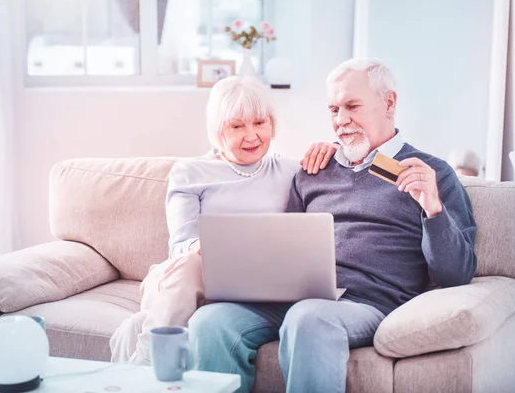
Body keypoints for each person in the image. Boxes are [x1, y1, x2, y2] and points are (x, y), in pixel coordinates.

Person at [187, 58, 478, 393]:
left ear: (389, 103)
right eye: (333, 109)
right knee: (210, 323)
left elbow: (457, 274)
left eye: (352, 106)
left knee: (309, 318)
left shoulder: (431, 172)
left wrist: (433, 207)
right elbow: (287, 245)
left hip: (366, 303)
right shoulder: (315, 169)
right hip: (296, 297)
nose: (341, 121)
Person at [109, 75, 338, 364]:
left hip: (257, 282)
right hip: (190, 278)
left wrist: (332, 148)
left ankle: (146, 344)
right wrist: (201, 248)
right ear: (218, 130)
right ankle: (148, 366)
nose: (252, 135)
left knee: (133, 328)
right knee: (192, 263)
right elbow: (180, 245)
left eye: (259, 123)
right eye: (237, 126)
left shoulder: (292, 170)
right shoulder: (190, 172)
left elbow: (348, 167)